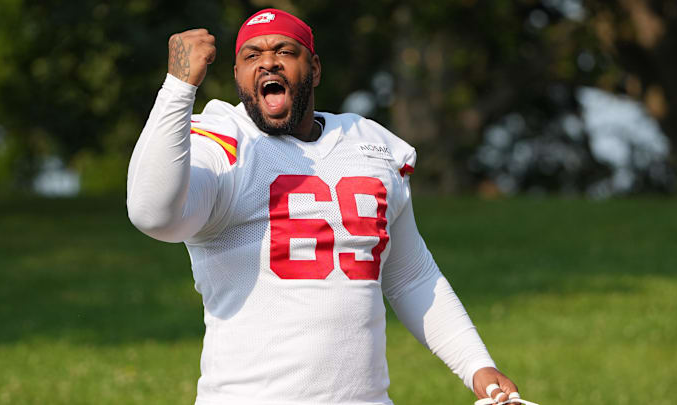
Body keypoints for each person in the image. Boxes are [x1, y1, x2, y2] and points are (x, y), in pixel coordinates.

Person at [127, 8, 528, 405]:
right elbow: (152, 214)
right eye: (251, 55)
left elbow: (410, 275)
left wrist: (477, 364)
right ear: (237, 76)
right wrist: (178, 88)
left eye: (283, 51)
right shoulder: (223, 141)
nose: (267, 61)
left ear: (314, 68)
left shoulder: (368, 143)